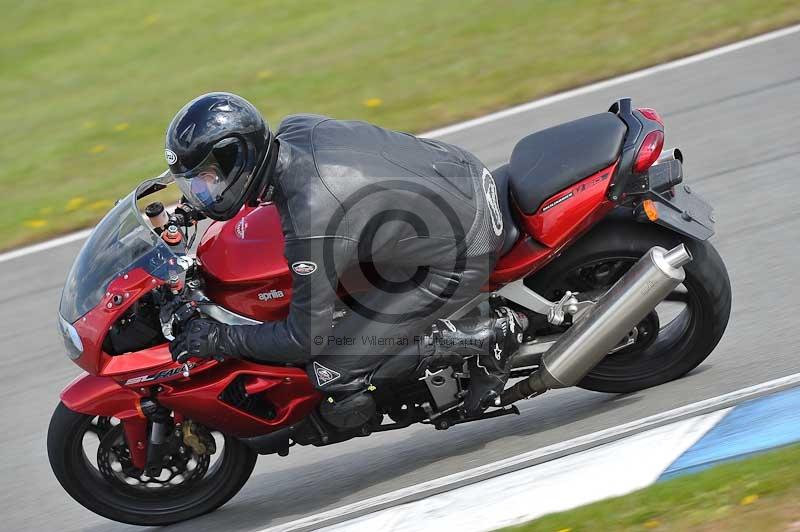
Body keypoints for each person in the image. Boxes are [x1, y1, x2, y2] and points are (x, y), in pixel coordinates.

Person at [166, 92, 526, 416]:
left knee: (331, 371)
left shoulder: (311, 219)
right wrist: (195, 209)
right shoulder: (296, 127)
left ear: (239, 161)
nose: (201, 190)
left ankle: (487, 335)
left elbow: (304, 338)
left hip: (465, 247)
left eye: (207, 180)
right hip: (462, 172)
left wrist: (219, 339)